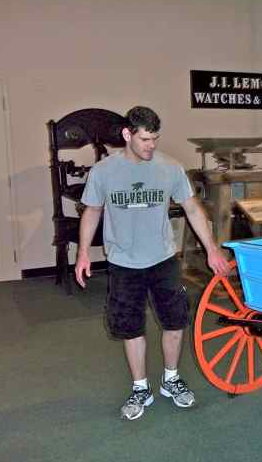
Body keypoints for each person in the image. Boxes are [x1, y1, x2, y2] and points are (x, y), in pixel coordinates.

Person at [75, 106, 228, 420]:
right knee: (131, 327)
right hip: (123, 262)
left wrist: (212, 249)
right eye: (145, 139)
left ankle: (171, 379)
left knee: (175, 322)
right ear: (127, 134)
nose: (152, 145)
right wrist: (82, 253)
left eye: (155, 138)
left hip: (163, 259)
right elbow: (92, 211)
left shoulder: (170, 167)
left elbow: (192, 208)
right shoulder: (103, 171)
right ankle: (140, 387)